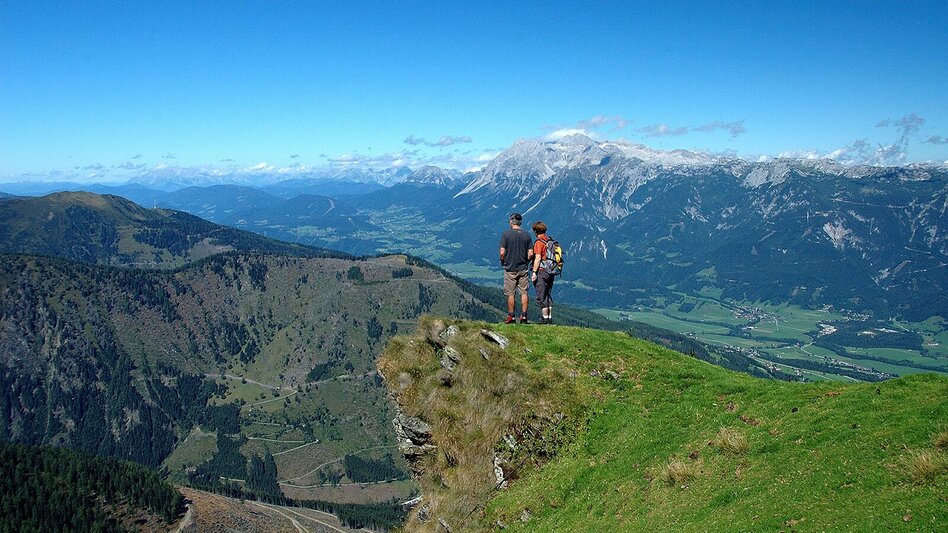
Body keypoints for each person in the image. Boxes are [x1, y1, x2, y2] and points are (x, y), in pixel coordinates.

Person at [498, 212, 533, 324]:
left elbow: (502, 252)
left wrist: (502, 260)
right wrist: (526, 261)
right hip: (523, 268)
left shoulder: (506, 234)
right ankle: (524, 316)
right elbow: (531, 253)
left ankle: (511, 316)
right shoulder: (527, 234)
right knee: (524, 293)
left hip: (510, 268)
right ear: (520, 222)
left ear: (510, 222)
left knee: (510, 293)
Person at [531, 221, 555, 324]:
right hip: (551, 271)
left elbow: (538, 258)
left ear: (536, 231)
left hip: (542, 271)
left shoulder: (539, 242)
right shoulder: (550, 241)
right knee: (548, 294)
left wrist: (534, 272)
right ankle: (549, 318)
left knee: (541, 295)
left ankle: (544, 319)